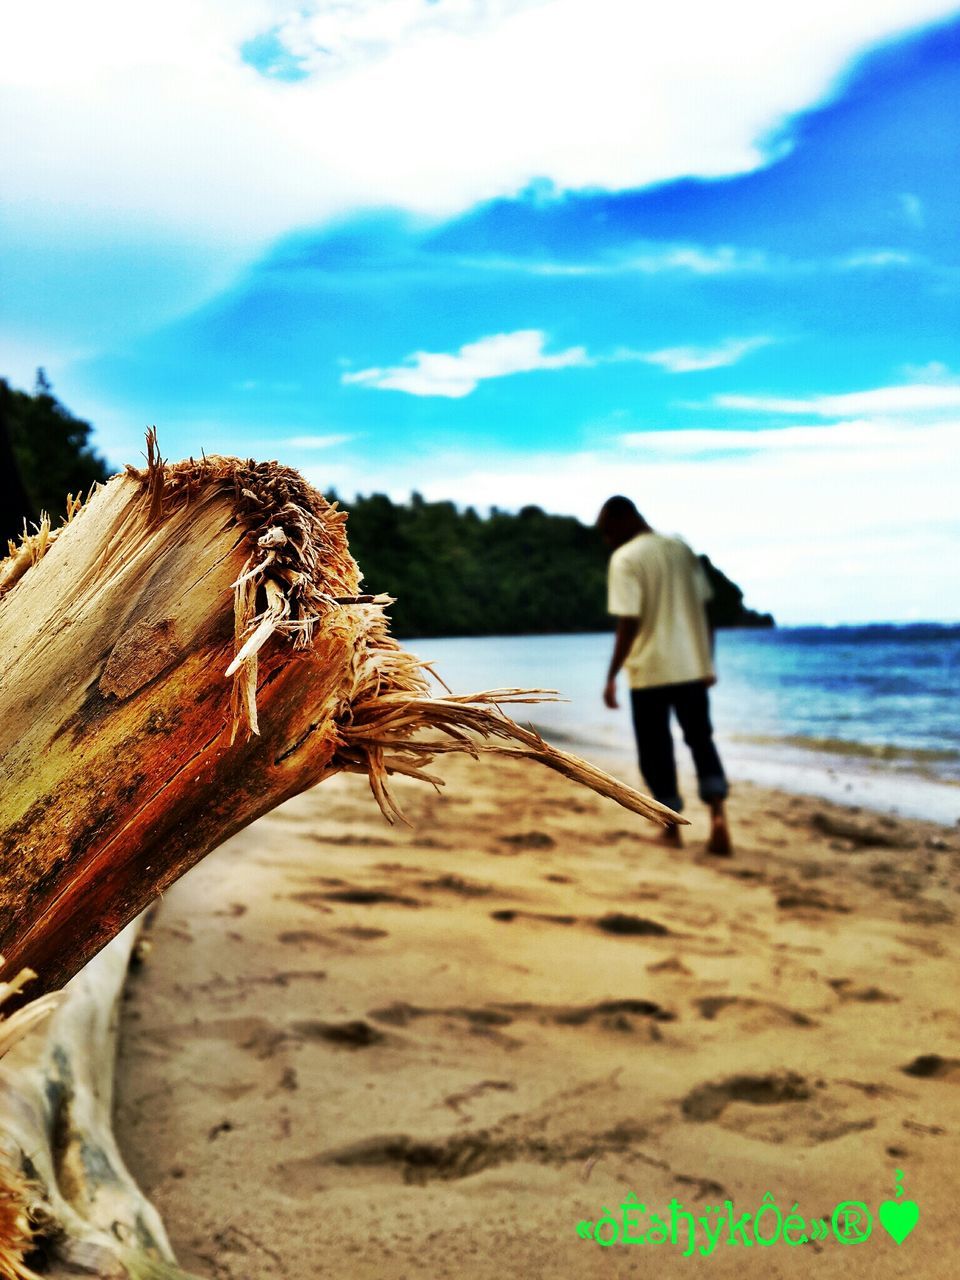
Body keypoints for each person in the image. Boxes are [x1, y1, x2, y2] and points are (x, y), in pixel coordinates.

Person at [597, 495, 732, 856]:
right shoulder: (680, 548)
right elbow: (705, 610)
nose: (608, 539)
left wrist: (611, 676)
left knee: (656, 750)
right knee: (701, 738)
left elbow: (629, 622)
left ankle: (671, 829)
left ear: (625, 519)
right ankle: (718, 814)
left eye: (608, 531)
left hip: (650, 670)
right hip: (690, 666)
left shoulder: (626, 559)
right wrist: (708, 662)